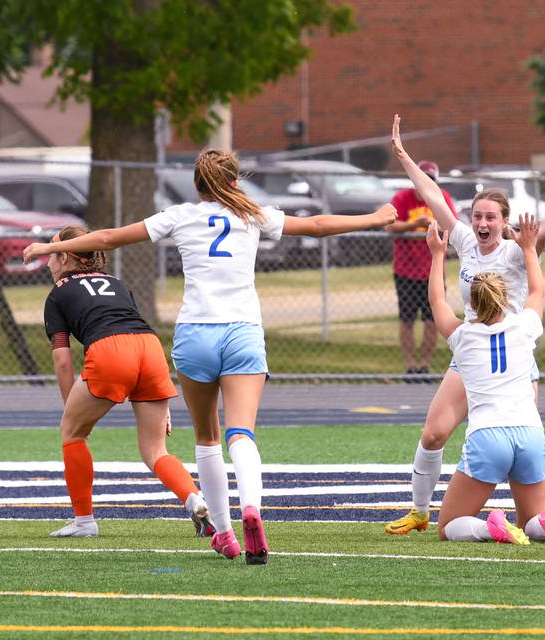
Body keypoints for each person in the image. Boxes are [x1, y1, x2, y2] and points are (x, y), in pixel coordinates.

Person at [24, 149, 397, 564]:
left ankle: (224, 533)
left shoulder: (181, 215)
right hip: (242, 331)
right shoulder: (254, 215)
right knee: (242, 432)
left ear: (197, 186)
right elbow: (317, 224)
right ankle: (251, 507)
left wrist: (45, 247)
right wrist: (375, 218)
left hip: (195, 334)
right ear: (235, 182)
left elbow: (109, 238)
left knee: (207, 439)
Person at [385, 114, 545, 536]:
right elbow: (431, 195)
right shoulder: (465, 240)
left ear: (504, 222)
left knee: (522, 437)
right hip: (469, 351)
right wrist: (403, 156)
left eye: (490, 217)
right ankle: (419, 511)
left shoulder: (514, 251)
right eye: (477, 216)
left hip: (513, 354)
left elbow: (538, 236)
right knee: (433, 434)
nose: (482, 223)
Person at [41, 226, 213, 539]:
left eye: (52, 255)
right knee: (155, 450)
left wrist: (73, 410)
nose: (48, 262)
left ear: (65, 258)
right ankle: (194, 499)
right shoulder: (117, 283)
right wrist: (161, 401)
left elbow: (63, 360)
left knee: (71, 433)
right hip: (150, 349)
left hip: (110, 350)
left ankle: (84, 521)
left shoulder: (58, 294)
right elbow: (131, 328)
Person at [427, 214, 545, 545]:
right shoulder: (525, 327)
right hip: (531, 434)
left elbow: (437, 301)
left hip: (488, 435)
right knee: (531, 518)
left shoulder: (463, 335)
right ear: (506, 298)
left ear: (473, 304)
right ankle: (543, 523)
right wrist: (530, 248)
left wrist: (437, 255)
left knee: (449, 525)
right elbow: (538, 289)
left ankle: (489, 529)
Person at [385, 160, 458, 380]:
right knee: (407, 320)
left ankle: (424, 365)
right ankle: (410, 365)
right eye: (423, 179)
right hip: (406, 271)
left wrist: (434, 224)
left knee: (432, 321)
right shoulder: (402, 199)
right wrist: (413, 225)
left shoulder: (441, 198)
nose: (426, 184)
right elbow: (389, 225)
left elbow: (453, 225)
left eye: (431, 180)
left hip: (433, 272)